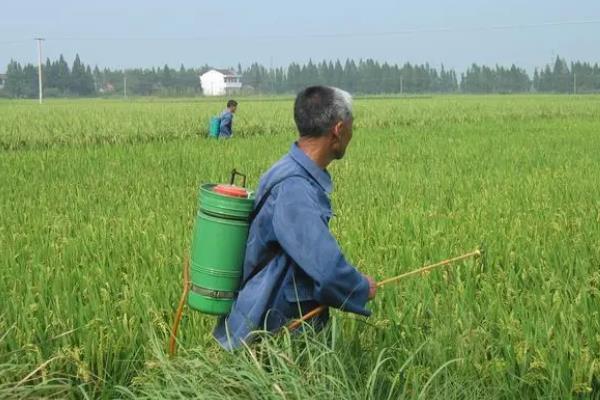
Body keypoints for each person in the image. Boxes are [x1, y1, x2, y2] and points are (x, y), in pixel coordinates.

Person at [214, 86, 377, 350]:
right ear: (338, 129)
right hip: (272, 330)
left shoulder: (285, 169)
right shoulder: (294, 188)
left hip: (268, 319)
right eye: (351, 123)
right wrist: (359, 287)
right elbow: (326, 268)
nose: (352, 131)